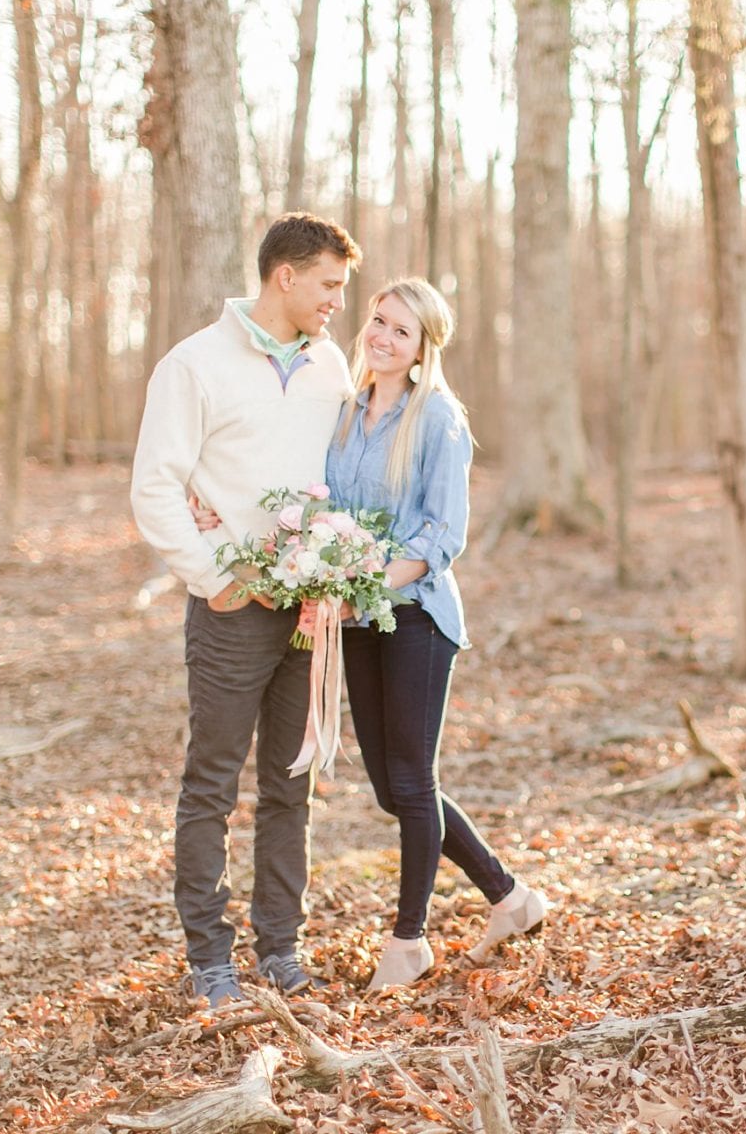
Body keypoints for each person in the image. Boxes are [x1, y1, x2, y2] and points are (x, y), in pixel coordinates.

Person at [196, 279, 549, 990]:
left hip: (415, 616)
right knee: (392, 790)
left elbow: (442, 536)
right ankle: (511, 897)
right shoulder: (346, 411)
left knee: (415, 781)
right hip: (353, 621)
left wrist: (358, 583)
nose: (383, 337)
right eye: (379, 322)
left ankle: (408, 940)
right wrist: (223, 509)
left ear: (423, 350)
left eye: (402, 331)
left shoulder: (439, 419)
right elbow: (305, 493)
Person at [130, 213, 359, 1007]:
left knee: (292, 785)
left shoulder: (332, 366)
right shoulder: (194, 366)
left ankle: (281, 948)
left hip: (309, 614)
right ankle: (209, 958)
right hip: (231, 613)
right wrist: (211, 575)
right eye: (329, 284)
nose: (337, 301)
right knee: (212, 786)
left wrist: (339, 568)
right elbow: (155, 484)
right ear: (284, 276)